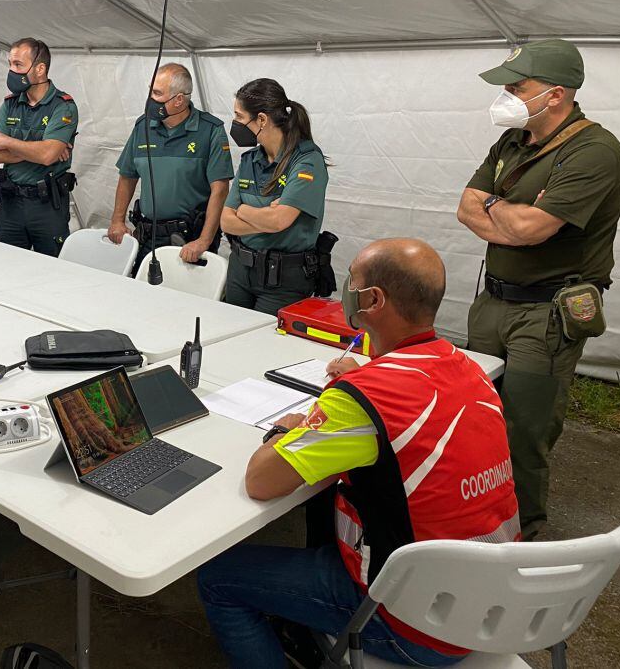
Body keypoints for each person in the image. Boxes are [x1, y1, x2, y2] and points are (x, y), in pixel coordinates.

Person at [198, 238, 519, 668]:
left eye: (354, 281)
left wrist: (288, 427)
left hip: (413, 623)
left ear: (372, 300)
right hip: (491, 602)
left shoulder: (362, 400)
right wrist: (369, 377)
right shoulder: (467, 369)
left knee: (217, 579)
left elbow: (261, 482)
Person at [457, 39, 620, 540]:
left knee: (524, 431)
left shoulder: (595, 150)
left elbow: (534, 229)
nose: (506, 95)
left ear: (556, 94)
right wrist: (501, 212)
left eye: (517, 86)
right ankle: (473, 514)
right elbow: (466, 206)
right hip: (493, 302)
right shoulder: (513, 141)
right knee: (476, 415)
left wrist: (496, 209)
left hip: (546, 314)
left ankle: (521, 533)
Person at [108, 63, 232, 276]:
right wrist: (117, 220)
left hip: (189, 239)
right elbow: (127, 175)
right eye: (150, 90)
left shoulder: (210, 130)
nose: (150, 99)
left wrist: (204, 240)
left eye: (157, 93)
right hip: (148, 236)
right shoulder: (143, 127)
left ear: (179, 100)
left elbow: (220, 190)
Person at [221, 79, 330, 314]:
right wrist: (266, 217)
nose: (235, 124)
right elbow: (226, 222)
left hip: (282, 281)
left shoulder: (307, 160)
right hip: (240, 271)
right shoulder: (251, 159)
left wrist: (244, 211)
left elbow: (279, 221)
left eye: (239, 117)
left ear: (261, 119)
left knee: (263, 345)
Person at [0, 38, 78, 256]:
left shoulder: (63, 105)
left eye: (18, 65)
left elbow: (47, 156)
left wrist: (9, 142)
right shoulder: (10, 103)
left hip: (47, 206)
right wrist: (40, 150)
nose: (11, 70)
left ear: (40, 69)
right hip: (11, 204)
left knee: (50, 273)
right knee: (4, 268)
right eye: (10, 64)